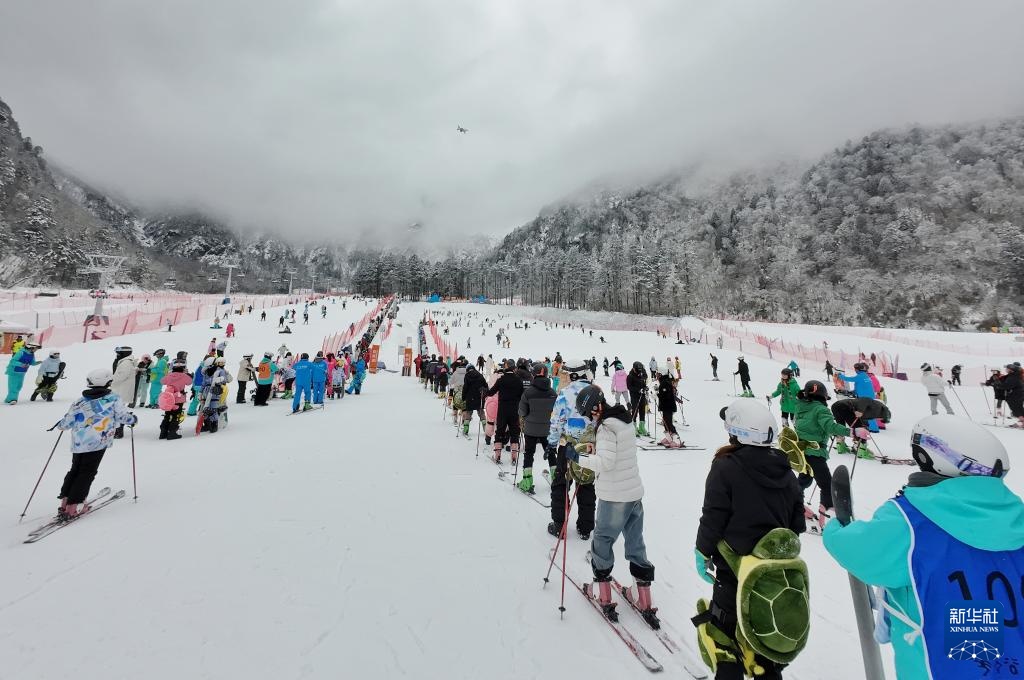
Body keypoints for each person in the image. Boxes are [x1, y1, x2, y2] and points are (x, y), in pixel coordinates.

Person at [824, 416, 1024, 680]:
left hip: (940, 666)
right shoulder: (1016, 515)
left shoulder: (910, 520)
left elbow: (858, 550)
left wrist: (835, 527)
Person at [694, 400, 805, 680]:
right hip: (771, 574)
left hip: (734, 568)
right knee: (763, 648)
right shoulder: (785, 470)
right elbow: (796, 524)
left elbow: (713, 516)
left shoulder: (725, 467)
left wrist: (702, 550)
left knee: (724, 639)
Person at [571, 384, 656, 622]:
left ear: (597, 406)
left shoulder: (606, 428)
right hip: (633, 494)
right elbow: (618, 453)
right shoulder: (623, 419)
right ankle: (643, 598)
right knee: (635, 543)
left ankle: (603, 594)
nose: (591, 418)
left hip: (614, 496)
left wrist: (578, 457)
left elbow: (606, 463)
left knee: (602, 542)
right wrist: (595, 449)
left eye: (591, 413)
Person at [56, 369, 137, 517]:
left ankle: (66, 501)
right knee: (87, 472)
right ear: (107, 382)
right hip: (98, 441)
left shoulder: (79, 401)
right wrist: (132, 420)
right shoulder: (113, 398)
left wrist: (61, 424)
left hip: (79, 442)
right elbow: (122, 417)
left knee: (75, 470)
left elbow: (67, 422)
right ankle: (75, 505)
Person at [547, 363, 596, 540]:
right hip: (589, 448)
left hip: (567, 447)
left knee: (561, 484)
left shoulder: (565, 394)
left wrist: (551, 443)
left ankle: (559, 525)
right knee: (586, 484)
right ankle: (585, 527)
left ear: (574, 375)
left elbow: (556, 421)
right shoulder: (596, 392)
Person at [793, 380, 849, 532]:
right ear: (823, 395)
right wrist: (852, 431)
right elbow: (830, 427)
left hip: (802, 451)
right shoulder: (821, 409)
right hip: (815, 453)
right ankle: (827, 516)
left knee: (804, 479)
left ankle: (794, 505)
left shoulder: (800, 407)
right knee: (826, 484)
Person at [518, 363, 557, 493]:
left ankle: (527, 480)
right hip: (548, 429)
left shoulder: (528, 392)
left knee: (529, 453)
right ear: (546, 374)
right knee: (551, 453)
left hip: (531, 428)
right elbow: (556, 412)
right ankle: (556, 478)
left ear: (533, 374)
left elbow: (522, 412)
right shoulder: (552, 393)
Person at [486, 360, 525, 463]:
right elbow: (523, 396)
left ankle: (498, 455)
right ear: (514, 368)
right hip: (514, 410)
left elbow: (491, 392)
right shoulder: (518, 380)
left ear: (506, 367)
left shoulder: (501, 380)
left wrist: (483, 390)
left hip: (502, 410)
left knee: (500, 431)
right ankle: (514, 457)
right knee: (514, 432)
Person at [158, 358, 192, 440]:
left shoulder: (169, 375)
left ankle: (163, 432)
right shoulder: (184, 376)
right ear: (183, 368)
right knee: (176, 415)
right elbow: (190, 382)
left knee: (167, 414)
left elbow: (162, 381)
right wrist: (188, 374)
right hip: (179, 398)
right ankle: (172, 432)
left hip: (169, 399)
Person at [111, 346, 137, 438]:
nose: (117, 355)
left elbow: (120, 376)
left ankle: (119, 431)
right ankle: (117, 430)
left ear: (124, 353)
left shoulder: (126, 363)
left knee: (119, 411)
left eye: (119, 353)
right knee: (118, 411)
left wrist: (110, 381)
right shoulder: (124, 361)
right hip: (121, 390)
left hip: (121, 391)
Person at [655, 373, 683, 448]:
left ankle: (677, 441)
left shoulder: (665, 383)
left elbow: (666, 395)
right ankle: (669, 439)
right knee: (665, 422)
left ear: (662, 374)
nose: (656, 376)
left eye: (658, 375)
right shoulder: (664, 381)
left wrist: (658, 395)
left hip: (668, 406)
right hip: (666, 406)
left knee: (668, 423)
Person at [627, 361, 649, 437]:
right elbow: (629, 387)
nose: (639, 371)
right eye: (637, 370)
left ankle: (641, 427)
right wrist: (638, 390)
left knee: (642, 410)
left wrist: (645, 387)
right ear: (633, 368)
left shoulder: (641, 373)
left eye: (640, 370)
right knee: (635, 411)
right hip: (634, 396)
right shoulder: (630, 376)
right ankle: (633, 427)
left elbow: (643, 382)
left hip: (642, 395)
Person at [1003, 362, 1024, 428]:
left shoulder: (1017, 375)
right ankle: (1021, 422)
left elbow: (1009, 384)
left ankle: (1022, 422)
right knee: (1018, 408)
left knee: (1017, 408)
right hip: (1018, 393)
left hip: (1018, 393)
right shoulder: (1017, 374)